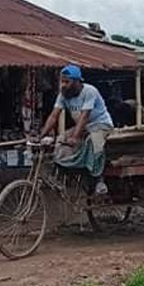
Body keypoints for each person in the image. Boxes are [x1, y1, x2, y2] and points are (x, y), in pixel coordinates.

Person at [38, 64, 114, 195]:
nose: (63, 85)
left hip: (100, 125)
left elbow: (85, 117)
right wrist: (41, 135)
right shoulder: (63, 94)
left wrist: (75, 137)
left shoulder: (90, 91)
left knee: (93, 142)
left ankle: (98, 179)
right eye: (62, 81)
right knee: (61, 138)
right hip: (83, 126)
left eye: (67, 82)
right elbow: (54, 115)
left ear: (78, 82)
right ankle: (61, 173)